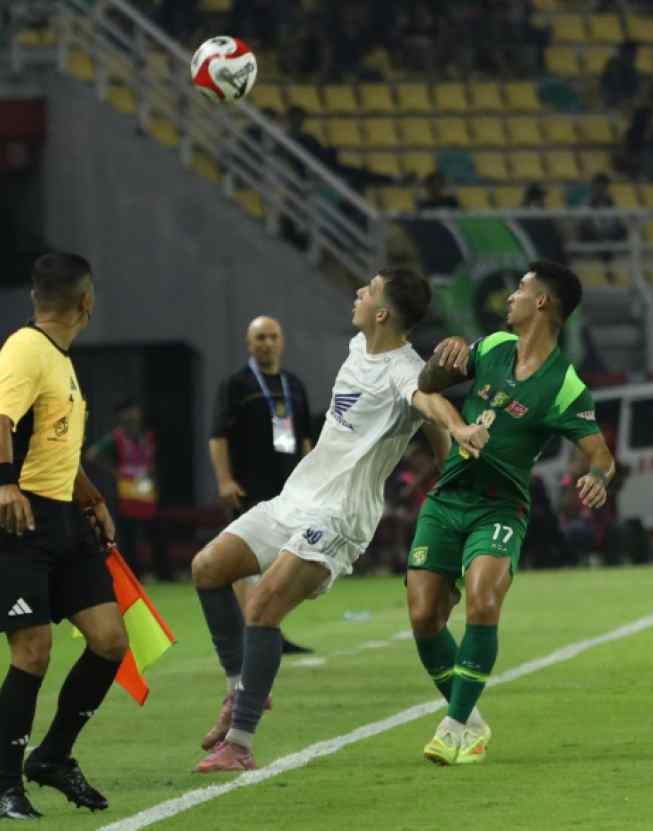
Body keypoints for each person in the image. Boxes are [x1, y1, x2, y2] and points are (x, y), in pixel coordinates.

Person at [191, 268, 489, 772]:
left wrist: (458, 428)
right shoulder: (357, 347)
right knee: (207, 568)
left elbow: (427, 400)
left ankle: (239, 743)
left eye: (368, 290)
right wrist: (446, 453)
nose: (358, 292)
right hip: (295, 499)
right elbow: (426, 424)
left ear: (383, 312)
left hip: (339, 515)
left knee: (261, 607)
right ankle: (239, 687)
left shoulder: (403, 369)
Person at [407, 260, 615, 766]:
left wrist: (597, 477)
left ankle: (453, 727)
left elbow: (602, 455)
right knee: (424, 616)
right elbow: (427, 387)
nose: (510, 297)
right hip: (447, 497)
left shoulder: (565, 385)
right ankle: (473, 722)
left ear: (541, 302)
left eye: (520, 289)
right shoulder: (493, 347)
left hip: (500, 508)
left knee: (483, 602)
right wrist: (443, 359)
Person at [0, 252, 128, 819]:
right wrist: (5, 483)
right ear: (87, 302)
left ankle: (54, 757)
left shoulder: (60, 359)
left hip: (63, 515)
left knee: (110, 640)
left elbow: (58, 445)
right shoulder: (25, 348)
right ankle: (6, 790)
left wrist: (92, 497)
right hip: (17, 519)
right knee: (33, 652)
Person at [210, 315, 315, 655]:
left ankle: (268, 630)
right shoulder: (235, 385)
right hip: (247, 488)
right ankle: (251, 634)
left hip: (289, 489)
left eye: (272, 337)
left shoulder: (294, 385)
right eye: (260, 338)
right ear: (249, 343)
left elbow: (306, 439)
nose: (267, 343)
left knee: (281, 561)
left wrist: (313, 479)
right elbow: (217, 436)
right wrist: (224, 480)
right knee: (246, 562)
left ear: (281, 342)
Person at [85, 400, 174, 581]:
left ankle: (164, 573)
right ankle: (133, 574)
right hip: (127, 492)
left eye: (134, 412)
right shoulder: (116, 438)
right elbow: (92, 454)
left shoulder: (148, 436)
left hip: (148, 491)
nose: (131, 416)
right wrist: (115, 471)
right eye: (127, 413)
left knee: (156, 533)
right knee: (129, 536)